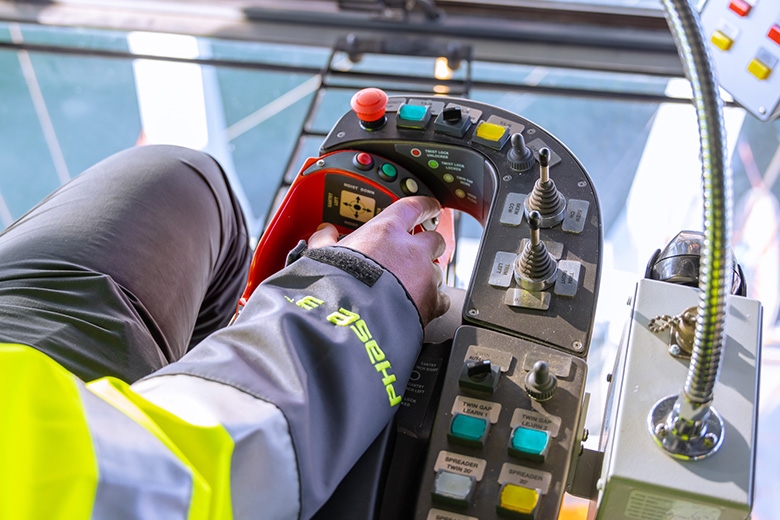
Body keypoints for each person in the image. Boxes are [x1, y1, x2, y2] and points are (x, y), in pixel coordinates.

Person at [0, 145, 450, 519]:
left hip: (28, 400)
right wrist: (353, 291)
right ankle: (222, 367)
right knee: (182, 177)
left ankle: (212, 361)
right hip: (66, 458)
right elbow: (156, 487)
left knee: (178, 176)